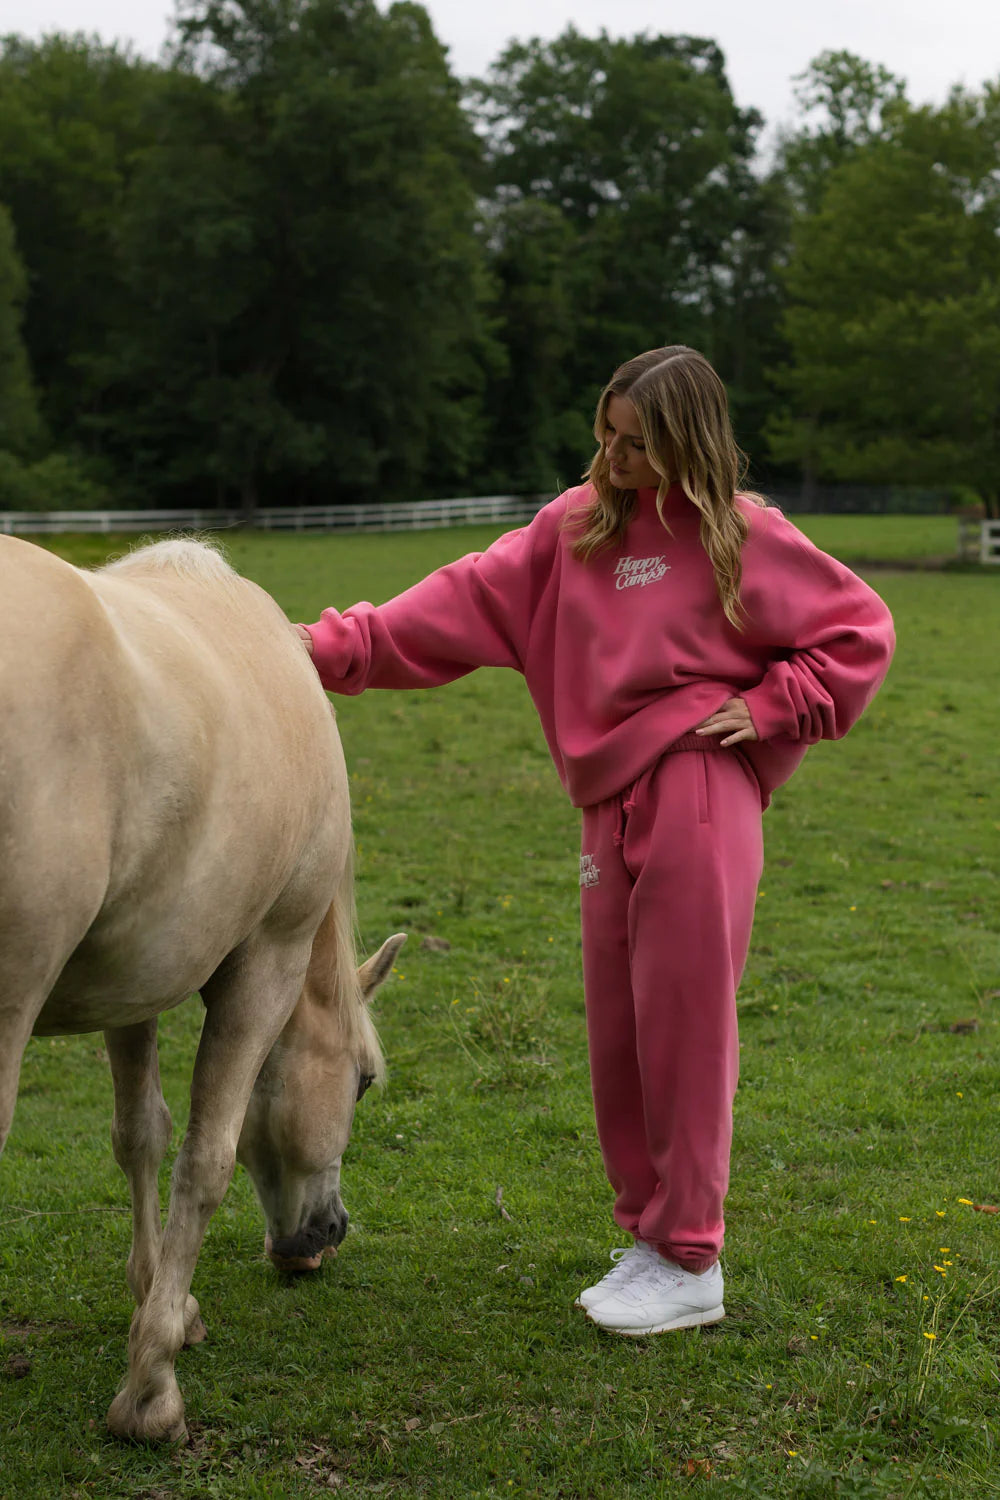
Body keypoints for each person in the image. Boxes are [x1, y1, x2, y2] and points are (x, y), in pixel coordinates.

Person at [295, 345, 895, 1337]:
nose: (613, 459)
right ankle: (647, 1238)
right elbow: (446, 608)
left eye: (636, 445)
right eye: (605, 437)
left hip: (698, 789)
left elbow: (856, 630)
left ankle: (690, 1257)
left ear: (686, 442)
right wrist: (310, 650)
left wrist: (777, 700)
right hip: (605, 801)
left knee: (683, 1025)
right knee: (619, 1031)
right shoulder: (568, 534)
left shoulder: (742, 534)